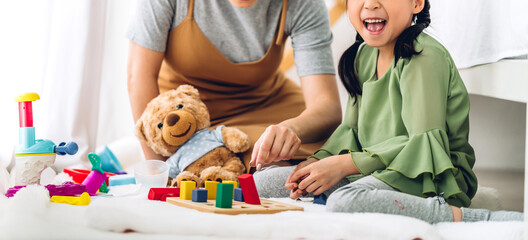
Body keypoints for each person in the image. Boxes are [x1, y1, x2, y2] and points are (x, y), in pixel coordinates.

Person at [253, 0, 524, 223]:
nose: (370, 4)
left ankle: (474, 217)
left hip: (428, 175)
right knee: (261, 183)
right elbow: (351, 131)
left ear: (416, 3)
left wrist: (345, 165)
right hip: (374, 170)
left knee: (345, 201)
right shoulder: (362, 56)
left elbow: (423, 143)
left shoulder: (423, 57)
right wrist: (317, 162)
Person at [126, 0, 342, 171]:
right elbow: (139, 77)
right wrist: (159, 167)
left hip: (268, 103)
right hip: (188, 117)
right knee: (252, 161)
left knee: (341, 145)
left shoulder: (303, 4)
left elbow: (327, 106)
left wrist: (292, 129)